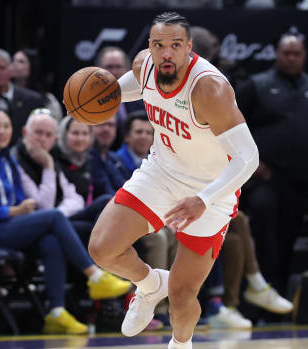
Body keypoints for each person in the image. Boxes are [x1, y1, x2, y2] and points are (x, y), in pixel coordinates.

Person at [86, 12, 259, 348]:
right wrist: (102, 99)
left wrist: (204, 199)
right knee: (102, 249)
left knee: (182, 296)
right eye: (158, 45)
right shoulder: (144, 65)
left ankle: (181, 344)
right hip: (162, 172)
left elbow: (248, 157)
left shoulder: (209, 88)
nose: (166, 53)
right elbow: (138, 87)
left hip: (212, 189)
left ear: (189, 48)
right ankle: (150, 285)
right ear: (149, 47)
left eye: (175, 46)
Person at [0, 108, 131, 334]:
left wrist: (20, 208)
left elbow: (23, 199)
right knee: (54, 218)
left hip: (11, 226)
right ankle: (94, 276)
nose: (1, 131)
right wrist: (12, 211)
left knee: (51, 241)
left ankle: (55, 312)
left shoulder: (6, 158)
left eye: (6, 126)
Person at [235, 33, 308, 292]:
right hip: (264, 176)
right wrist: (253, 163)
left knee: (289, 235)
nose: (291, 58)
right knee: (266, 227)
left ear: (304, 56)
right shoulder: (257, 85)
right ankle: (258, 290)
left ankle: (279, 290)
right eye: (286, 53)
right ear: (277, 54)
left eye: (296, 53)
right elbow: (230, 126)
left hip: (301, 178)